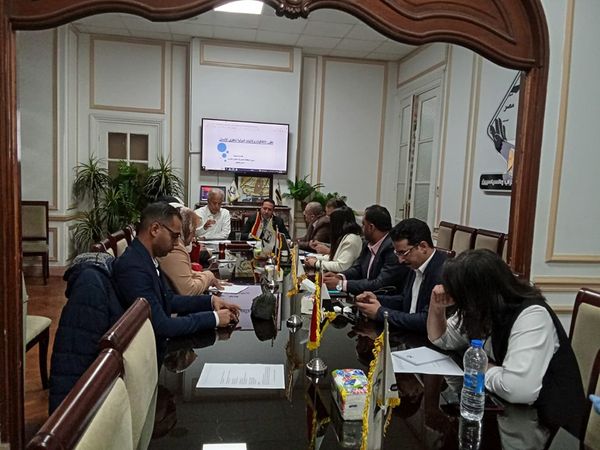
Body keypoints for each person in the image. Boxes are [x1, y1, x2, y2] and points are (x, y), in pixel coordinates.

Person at [427, 249, 585, 436]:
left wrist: (481, 367)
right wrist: (436, 307)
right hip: (505, 415)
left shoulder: (532, 316)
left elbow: (517, 389)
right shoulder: (482, 308)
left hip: (547, 428)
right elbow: (442, 339)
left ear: (477, 292)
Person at [114, 202, 240, 365]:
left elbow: (169, 299)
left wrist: (210, 301)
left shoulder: (145, 257)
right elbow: (162, 326)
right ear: (155, 229)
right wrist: (214, 318)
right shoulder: (134, 267)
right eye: (174, 236)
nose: (176, 244)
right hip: (146, 357)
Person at [355, 218, 447, 333]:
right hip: (409, 334)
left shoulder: (443, 273)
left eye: (403, 253)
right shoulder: (415, 264)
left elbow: (426, 321)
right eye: (397, 253)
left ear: (423, 247)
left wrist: (381, 313)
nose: (400, 260)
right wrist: (376, 299)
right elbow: (405, 300)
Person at [322, 205, 409, 295]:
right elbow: (358, 268)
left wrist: (341, 284)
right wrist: (340, 276)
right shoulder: (367, 243)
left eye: (363, 224)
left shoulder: (392, 248)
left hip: (382, 299)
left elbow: (380, 283)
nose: (361, 228)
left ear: (371, 227)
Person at [158, 207, 224, 295]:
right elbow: (189, 290)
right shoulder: (176, 247)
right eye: (194, 231)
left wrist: (205, 276)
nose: (194, 236)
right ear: (186, 230)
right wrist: (209, 276)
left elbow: (184, 273)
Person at [304, 206, 362, 272]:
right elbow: (335, 258)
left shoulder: (350, 240)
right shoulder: (345, 236)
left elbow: (341, 266)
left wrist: (315, 263)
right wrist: (315, 258)